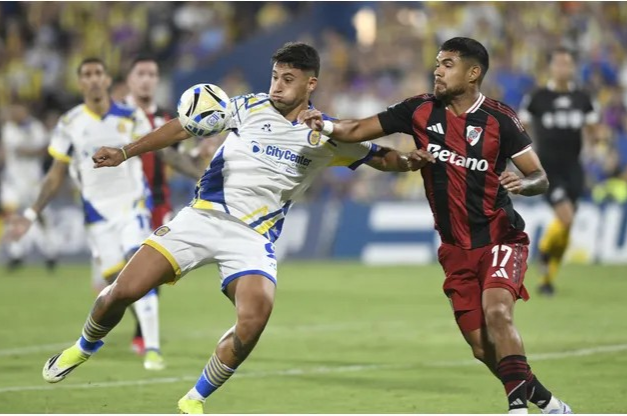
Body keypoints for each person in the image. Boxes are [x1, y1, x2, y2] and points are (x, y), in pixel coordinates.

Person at [40, 42, 434, 414]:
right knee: (123, 291)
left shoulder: (325, 133)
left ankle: (194, 399)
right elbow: (183, 127)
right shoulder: (247, 106)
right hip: (202, 217)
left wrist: (408, 161)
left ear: (310, 83)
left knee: (255, 316)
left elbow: (379, 157)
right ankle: (84, 346)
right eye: (275, 76)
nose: (277, 86)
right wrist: (125, 151)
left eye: (288, 79)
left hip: (252, 237)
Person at [299, 37, 572, 414]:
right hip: (454, 248)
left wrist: (524, 184)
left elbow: (539, 176)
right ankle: (546, 401)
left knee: (497, 313)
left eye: (447, 64)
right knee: (481, 347)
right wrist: (325, 124)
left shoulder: (499, 119)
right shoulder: (419, 109)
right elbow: (358, 129)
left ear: (473, 73)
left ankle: (517, 408)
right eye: (438, 63)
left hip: (500, 237)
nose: (437, 70)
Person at [11, 57, 165, 371]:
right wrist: (30, 214)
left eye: (98, 73)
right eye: (87, 75)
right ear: (80, 82)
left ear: (107, 80)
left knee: (138, 270)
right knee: (116, 286)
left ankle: (152, 348)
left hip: (132, 206)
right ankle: (119, 333)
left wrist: (195, 166)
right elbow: (55, 175)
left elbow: (160, 148)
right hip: (97, 215)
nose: (93, 79)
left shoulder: (130, 115)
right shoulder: (70, 123)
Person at [124, 55, 204, 355]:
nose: (147, 80)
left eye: (152, 74)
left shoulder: (169, 118)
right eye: (141, 73)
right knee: (116, 274)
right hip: (121, 204)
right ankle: (137, 323)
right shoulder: (117, 115)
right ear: (130, 79)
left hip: (157, 202)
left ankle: (141, 332)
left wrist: (201, 166)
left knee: (150, 268)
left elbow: (180, 156)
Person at [519, 47, 599, 296]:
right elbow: (520, 127)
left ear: (573, 67)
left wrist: (595, 144)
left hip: (574, 168)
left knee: (566, 226)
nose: (563, 68)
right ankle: (543, 254)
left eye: (567, 64)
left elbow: (594, 130)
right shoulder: (537, 97)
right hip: (547, 169)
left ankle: (547, 278)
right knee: (566, 217)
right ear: (551, 68)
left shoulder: (583, 98)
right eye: (559, 63)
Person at [1, 100, 58, 271]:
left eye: (17, 110)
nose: (14, 114)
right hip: (14, 182)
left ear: (25, 111)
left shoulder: (36, 127)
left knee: (41, 217)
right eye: (13, 110)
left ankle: (50, 253)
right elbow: (23, 150)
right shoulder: (9, 129)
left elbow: (45, 149)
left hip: (34, 182)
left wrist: (38, 149)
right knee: (11, 214)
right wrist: (37, 149)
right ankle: (16, 253)